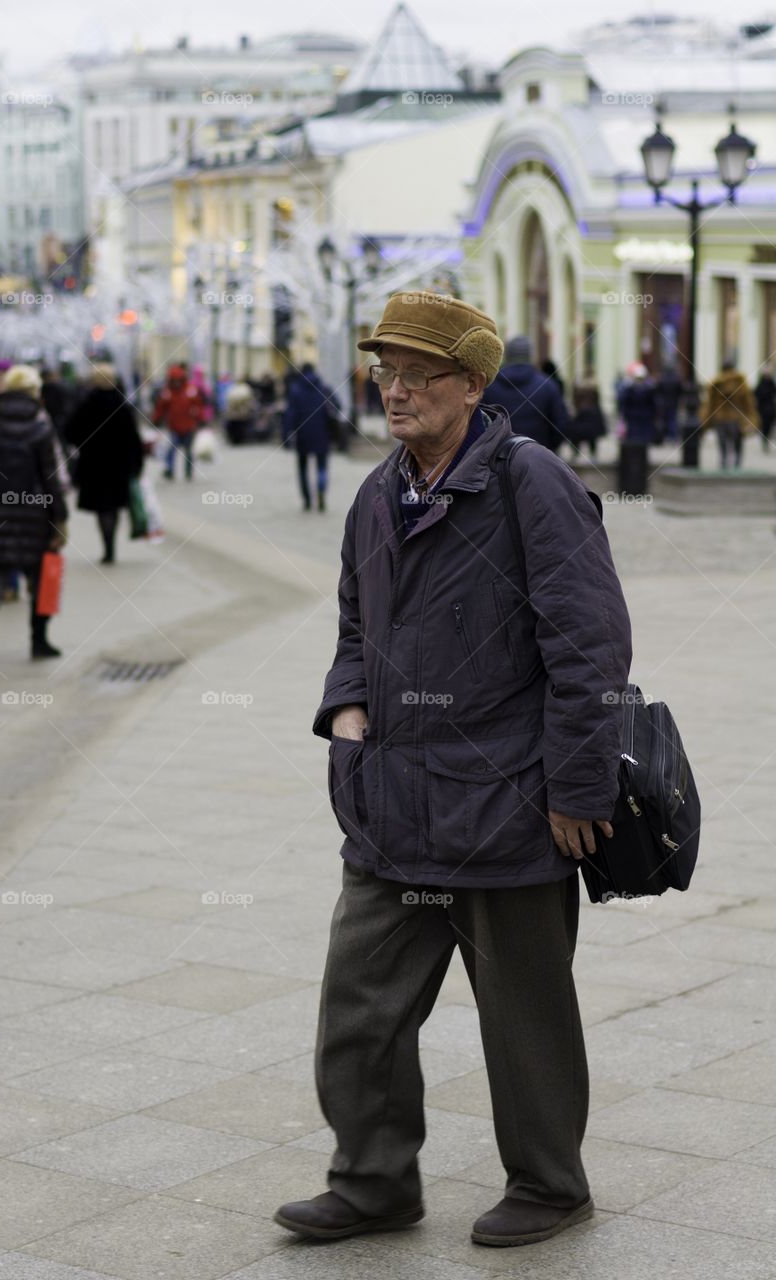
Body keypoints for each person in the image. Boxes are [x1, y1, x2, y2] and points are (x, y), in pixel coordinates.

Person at [274, 291, 632, 1249]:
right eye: (383, 372)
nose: (393, 390)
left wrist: (579, 788)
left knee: (525, 1022)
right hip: (390, 805)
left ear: (470, 386)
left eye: (416, 375)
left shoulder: (531, 483)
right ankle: (373, 1180)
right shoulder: (374, 493)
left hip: (508, 804)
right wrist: (345, 712)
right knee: (358, 1011)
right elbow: (354, 624)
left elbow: (589, 646)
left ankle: (551, 1186)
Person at [0, 364, 67, 667]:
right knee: (39, 579)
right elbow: (51, 478)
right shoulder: (40, 428)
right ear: (33, 392)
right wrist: (61, 517)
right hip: (35, 512)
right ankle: (39, 642)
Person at [63, 363, 144, 564]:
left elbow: (70, 432)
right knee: (114, 506)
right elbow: (134, 439)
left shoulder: (86, 405)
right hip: (119, 466)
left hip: (94, 465)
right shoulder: (123, 406)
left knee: (101, 508)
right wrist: (137, 464)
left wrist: (84, 446)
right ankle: (111, 544)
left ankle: (107, 545)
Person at [482, 336, 569, 450]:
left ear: (506, 355)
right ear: (530, 355)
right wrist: (548, 449)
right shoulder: (548, 386)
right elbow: (560, 425)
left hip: (496, 458)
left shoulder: (489, 386)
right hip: (538, 457)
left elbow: (481, 423)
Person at [283, 363, 337, 511]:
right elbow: (337, 407)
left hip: (302, 435)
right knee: (322, 466)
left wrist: (286, 434)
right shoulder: (324, 388)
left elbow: (290, 414)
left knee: (302, 468)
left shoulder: (295, 390)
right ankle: (321, 491)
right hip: (322, 433)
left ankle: (307, 499)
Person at [700, 360, 759, 469]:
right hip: (736, 417)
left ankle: (723, 463)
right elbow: (748, 403)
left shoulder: (715, 383)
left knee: (723, 442)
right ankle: (737, 463)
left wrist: (706, 420)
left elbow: (710, 405)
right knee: (737, 442)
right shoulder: (740, 382)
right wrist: (751, 417)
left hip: (720, 417)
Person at [152, 364, 205, 479]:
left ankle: (188, 471)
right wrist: (156, 419)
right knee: (172, 448)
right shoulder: (167, 392)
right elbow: (160, 408)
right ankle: (170, 470)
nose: (176, 383)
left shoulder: (190, 390)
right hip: (173, 426)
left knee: (189, 450)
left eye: (178, 380)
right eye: (174, 380)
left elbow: (198, 405)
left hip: (189, 426)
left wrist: (201, 419)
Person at [617, 362, 658, 443]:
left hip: (639, 416)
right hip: (639, 416)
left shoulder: (632, 389)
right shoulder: (645, 389)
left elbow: (624, 403)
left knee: (638, 437)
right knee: (639, 437)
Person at [567, 381, 607, 458]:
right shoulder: (591, 403)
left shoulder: (585, 403)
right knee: (589, 438)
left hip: (587, 424)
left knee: (582, 437)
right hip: (588, 425)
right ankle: (589, 454)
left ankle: (577, 453)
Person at [222, 379, 256, 445]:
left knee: (236, 426)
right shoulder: (244, 388)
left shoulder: (232, 389)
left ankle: (236, 439)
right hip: (240, 412)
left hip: (235, 412)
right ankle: (239, 438)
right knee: (239, 426)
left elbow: (229, 400)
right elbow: (248, 399)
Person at [754, 364, 776, 452]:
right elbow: (757, 394)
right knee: (764, 426)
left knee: (769, 426)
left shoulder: (772, 382)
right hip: (763, 410)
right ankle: (764, 440)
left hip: (771, 410)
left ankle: (766, 439)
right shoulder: (761, 383)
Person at [656, 364, 682, 441]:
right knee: (673, 419)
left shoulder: (662, 379)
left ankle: (667, 434)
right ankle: (673, 435)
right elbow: (680, 391)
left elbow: (658, 391)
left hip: (664, 403)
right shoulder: (676, 379)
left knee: (666, 419)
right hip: (674, 402)